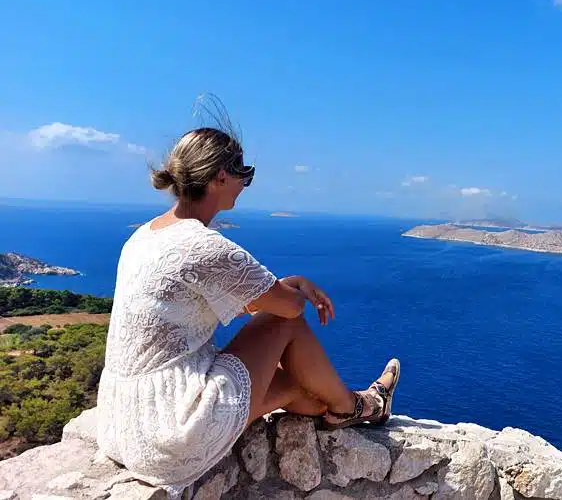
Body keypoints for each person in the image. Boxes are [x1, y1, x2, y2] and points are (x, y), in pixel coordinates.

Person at [96, 99, 400, 496]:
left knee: (291, 386)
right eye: (245, 175)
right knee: (284, 323)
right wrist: (293, 287)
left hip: (123, 425)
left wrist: (286, 282)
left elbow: (219, 299)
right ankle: (356, 407)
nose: (245, 184)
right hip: (172, 432)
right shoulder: (205, 246)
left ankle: (351, 406)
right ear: (221, 177)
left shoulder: (144, 236)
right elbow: (287, 309)